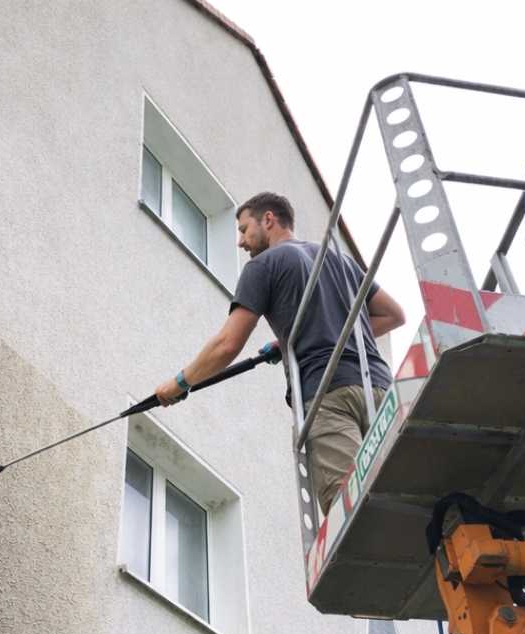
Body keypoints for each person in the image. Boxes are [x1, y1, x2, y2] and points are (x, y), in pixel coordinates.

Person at [154, 191, 405, 514]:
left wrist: (178, 384)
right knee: (399, 492)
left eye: (244, 230)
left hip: (327, 395)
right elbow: (393, 315)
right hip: (379, 389)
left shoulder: (264, 265)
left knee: (353, 513)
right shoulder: (340, 261)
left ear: (268, 219)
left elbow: (227, 344)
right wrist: (291, 340)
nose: (241, 242)